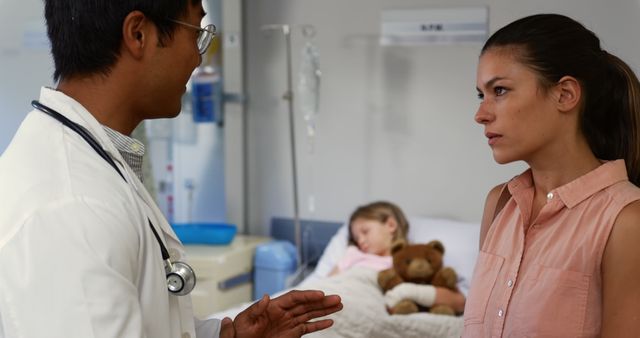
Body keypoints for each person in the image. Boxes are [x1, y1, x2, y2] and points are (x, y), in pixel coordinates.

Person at [0, 1, 342, 337]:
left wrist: (225, 336)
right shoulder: (72, 208)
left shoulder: (90, 162)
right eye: (196, 33)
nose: (197, 57)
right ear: (139, 34)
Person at [465, 13, 640, 337]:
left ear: (565, 94)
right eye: (481, 94)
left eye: (499, 90)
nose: (481, 114)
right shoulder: (500, 203)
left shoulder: (627, 220)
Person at [329, 201, 465, 313]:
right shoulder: (354, 254)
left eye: (365, 231)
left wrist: (410, 292)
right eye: (356, 238)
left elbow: (460, 302)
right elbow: (329, 284)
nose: (360, 241)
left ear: (391, 225)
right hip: (347, 299)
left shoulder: (414, 260)